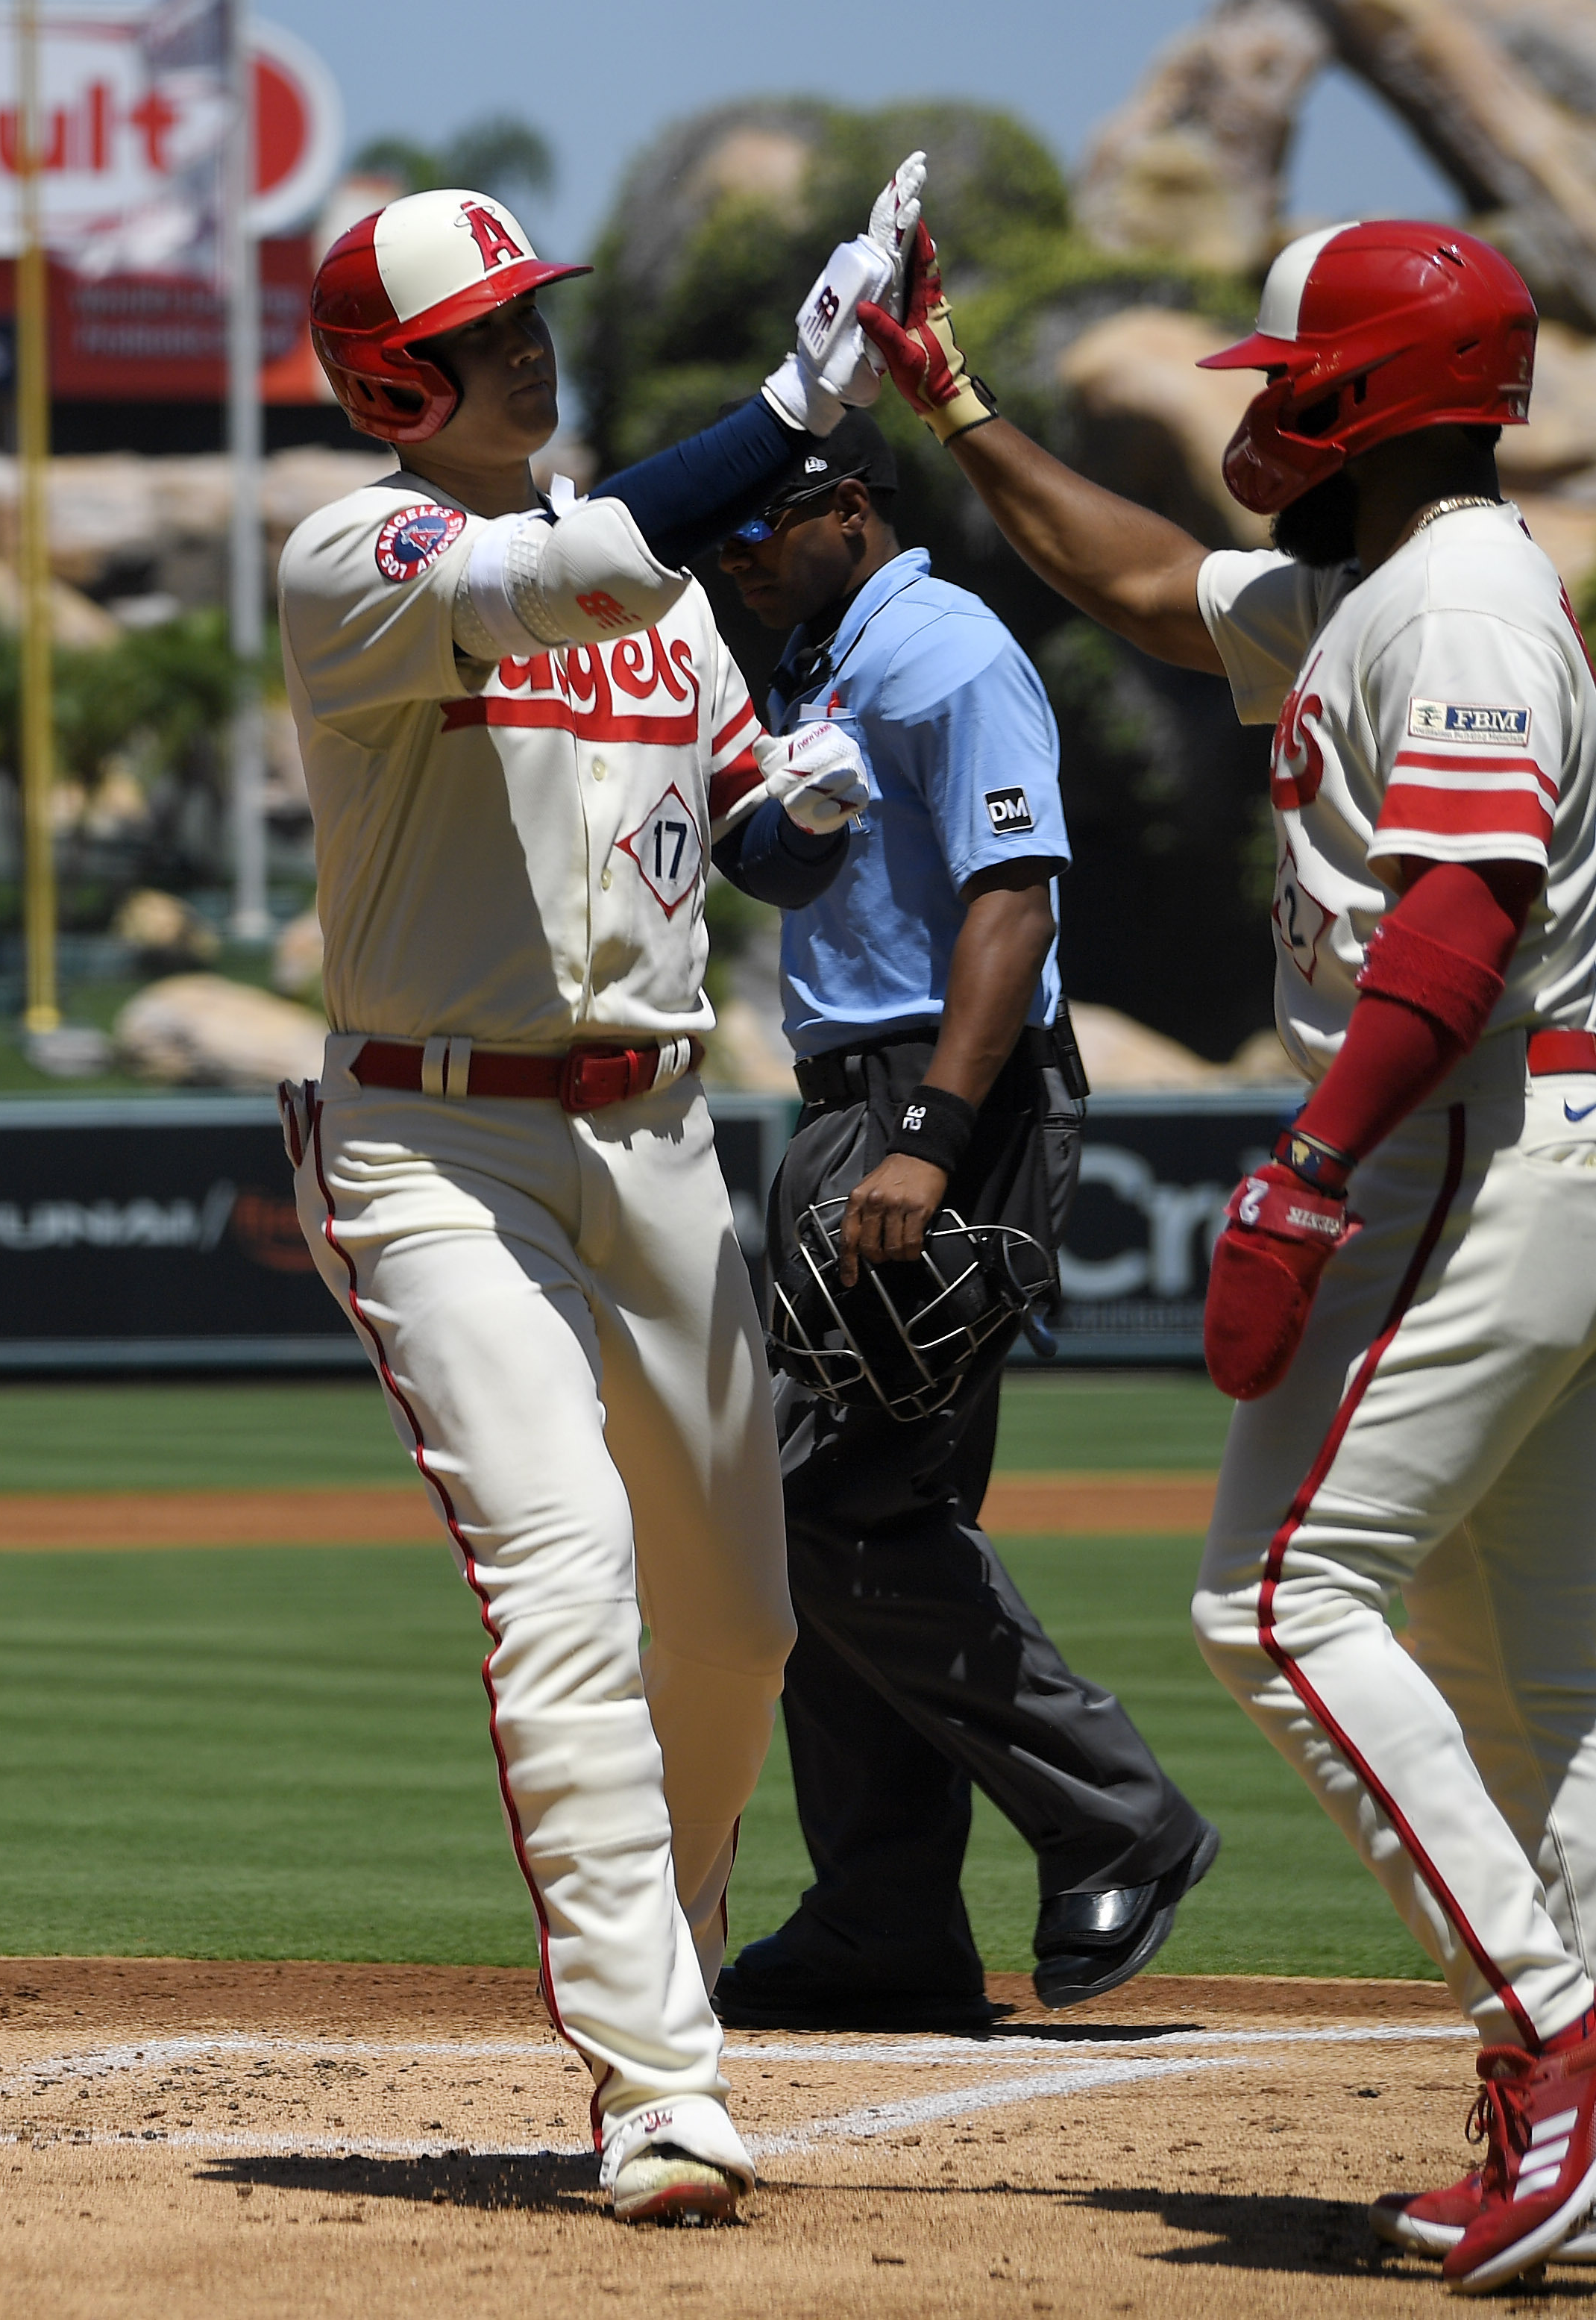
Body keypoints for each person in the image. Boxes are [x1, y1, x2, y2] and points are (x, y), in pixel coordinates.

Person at [867, 213, 1596, 2291]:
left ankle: (1555, 2045)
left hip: (1473, 1120)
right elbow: (1132, 583)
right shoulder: (1383, 582)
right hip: (1527, 1122)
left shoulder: (1451, 595)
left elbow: (1459, 902)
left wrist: (1309, 1163)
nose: (1258, 404)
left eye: (1284, 374)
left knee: (1277, 1599)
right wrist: (958, 403)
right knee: (1533, 1676)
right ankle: (1566, 2117)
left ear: (1361, 397)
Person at [277, 166, 916, 2225]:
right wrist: (791, 415)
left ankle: (673, 1962)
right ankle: (658, 2080)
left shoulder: (663, 607)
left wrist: (799, 813)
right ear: (397, 380)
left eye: (534, 313)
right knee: (561, 1567)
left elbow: (747, 838)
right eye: (490, 328)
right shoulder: (354, 555)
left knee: (734, 1627)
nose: (530, 343)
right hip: (433, 1142)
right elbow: (576, 566)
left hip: (656, 1138)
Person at [706, 408, 1219, 2032]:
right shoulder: (812, 668)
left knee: (819, 1501)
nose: (735, 562)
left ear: (844, 507)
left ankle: (1113, 1815)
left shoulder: (942, 648)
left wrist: (930, 1135)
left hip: (946, 1098)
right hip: (846, 1096)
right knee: (871, 1506)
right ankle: (881, 1916)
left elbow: (1014, 896)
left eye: (756, 534)